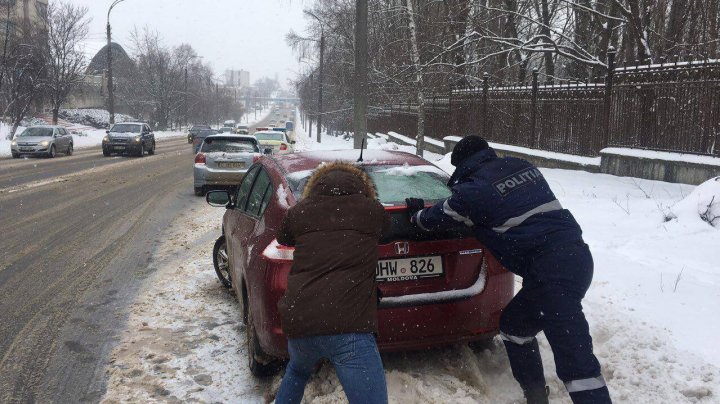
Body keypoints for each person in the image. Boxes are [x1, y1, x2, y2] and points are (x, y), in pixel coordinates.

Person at [405, 136, 611, 404]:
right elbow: (511, 204)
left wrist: (416, 215)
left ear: (463, 165)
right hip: (576, 259)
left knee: (576, 363)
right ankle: (536, 397)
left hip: (552, 274)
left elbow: (434, 218)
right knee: (515, 326)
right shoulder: (521, 166)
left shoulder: (472, 192)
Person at [275, 161, 390, 404]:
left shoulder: (301, 212)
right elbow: (387, 230)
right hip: (348, 325)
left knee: (296, 371)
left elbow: (283, 235)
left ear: (315, 187)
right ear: (362, 187)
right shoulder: (371, 211)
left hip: (301, 320)